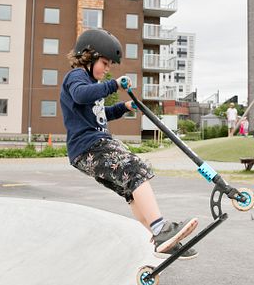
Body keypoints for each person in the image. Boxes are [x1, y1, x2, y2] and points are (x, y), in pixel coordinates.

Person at [60, 29, 199, 259]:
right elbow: (81, 96)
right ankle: (160, 229)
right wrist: (113, 85)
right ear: (88, 55)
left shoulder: (91, 82)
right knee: (136, 169)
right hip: (90, 146)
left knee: (130, 192)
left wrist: (122, 108)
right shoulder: (77, 77)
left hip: (87, 150)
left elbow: (98, 113)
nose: (106, 69)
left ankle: (162, 241)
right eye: (104, 63)